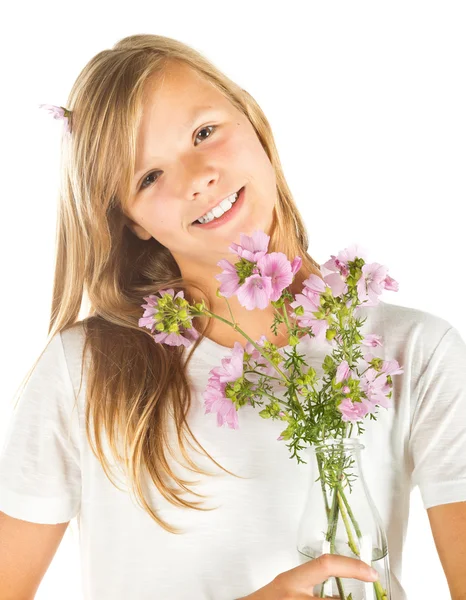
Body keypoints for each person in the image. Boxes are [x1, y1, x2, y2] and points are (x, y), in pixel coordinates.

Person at [0, 33, 465, 600]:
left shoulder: (414, 353)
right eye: (149, 176)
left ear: (252, 118)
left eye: (203, 133)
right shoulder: (86, 371)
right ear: (132, 220)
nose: (197, 177)